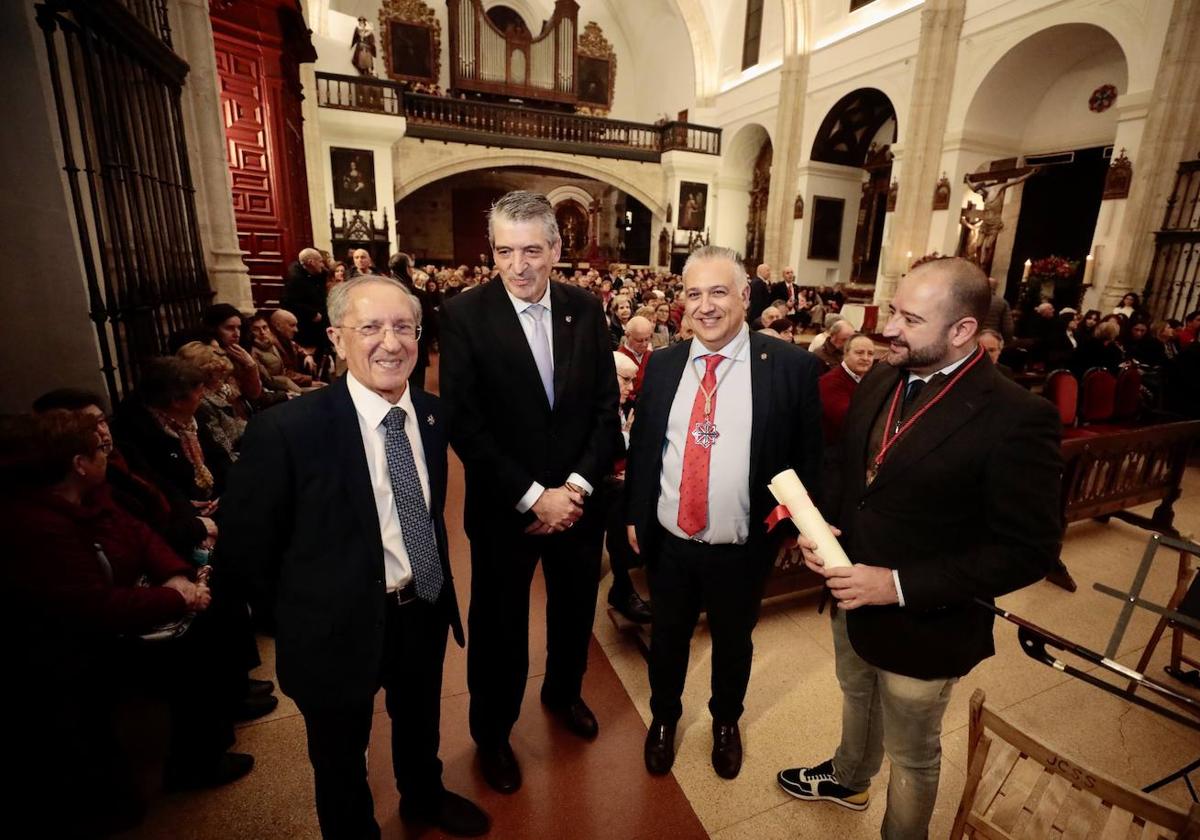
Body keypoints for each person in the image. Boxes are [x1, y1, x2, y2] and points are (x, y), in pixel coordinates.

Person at [777, 257, 1061, 839]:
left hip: (927, 622)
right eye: (893, 311)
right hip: (850, 593)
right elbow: (851, 473)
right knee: (857, 697)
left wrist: (897, 584)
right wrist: (826, 528)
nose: (890, 330)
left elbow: (1028, 549)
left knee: (913, 753)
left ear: (962, 331)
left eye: (910, 318)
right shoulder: (883, 377)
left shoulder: (1017, 417)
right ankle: (851, 779)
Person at [216, 276, 488, 838]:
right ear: (337, 339)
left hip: (422, 604)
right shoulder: (287, 430)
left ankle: (423, 796)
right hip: (332, 629)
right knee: (340, 755)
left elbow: (427, 513)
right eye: (370, 327)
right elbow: (247, 552)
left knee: (419, 720)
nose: (390, 343)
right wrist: (306, 611)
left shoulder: (433, 418)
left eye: (403, 328)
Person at [439, 191, 620, 795]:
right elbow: (465, 422)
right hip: (503, 509)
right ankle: (493, 734)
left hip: (576, 505)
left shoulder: (586, 308)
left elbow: (603, 410)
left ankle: (564, 694)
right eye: (504, 251)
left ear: (557, 250)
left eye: (532, 250)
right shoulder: (464, 315)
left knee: (573, 612)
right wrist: (531, 496)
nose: (518, 265)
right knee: (499, 627)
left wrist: (571, 489)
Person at [625, 245, 822, 780]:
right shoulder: (663, 366)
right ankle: (664, 718)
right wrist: (634, 516)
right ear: (680, 302)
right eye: (694, 293)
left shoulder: (791, 368)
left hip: (742, 545)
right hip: (669, 541)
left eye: (718, 292)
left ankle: (725, 722)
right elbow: (645, 447)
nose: (706, 306)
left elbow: (808, 461)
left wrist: (792, 530)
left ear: (744, 296)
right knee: (667, 639)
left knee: (735, 642)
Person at [604, 351, 652, 624]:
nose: (631, 387)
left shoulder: (624, 403)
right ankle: (621, 587)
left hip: (615, 478)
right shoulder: (595, 403)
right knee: (621, 500)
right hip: (591, 487)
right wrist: (627, 436)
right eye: (626, 380)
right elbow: (610, 447)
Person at [818, 333, 876, 444]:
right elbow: (851, 422)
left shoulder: (870, 378)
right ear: (845, 354)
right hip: (833, 451)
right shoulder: (829, 382)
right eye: (859, 353)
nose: (865, 358)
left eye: (870, 354)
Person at [283, 248, 330, 350]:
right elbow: (288, 303)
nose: (322, 265)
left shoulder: (318, 274)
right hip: (307, 328)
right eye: (320, 261)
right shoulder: (295, 279)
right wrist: (311, 313)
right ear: (311, 262)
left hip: (321, 324)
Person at [618, 314, 654, 403]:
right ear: (627, 335)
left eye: (647, 339)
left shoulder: (652, 356)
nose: (645, 344)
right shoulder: (619, 359)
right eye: (639, 340)